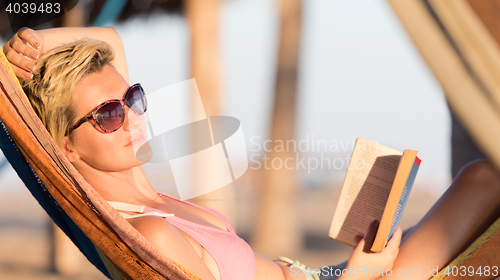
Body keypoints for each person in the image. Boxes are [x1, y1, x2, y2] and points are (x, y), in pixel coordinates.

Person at [3, 27, 500, 280]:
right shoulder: (146, 234)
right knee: (485, 180)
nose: (132, 117)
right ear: (64, 147)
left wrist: (31, 42)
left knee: (482, 179)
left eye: (132, 99)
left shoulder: (149, 197)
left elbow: (108, 39)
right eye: (109, 115)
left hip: (325, 273)